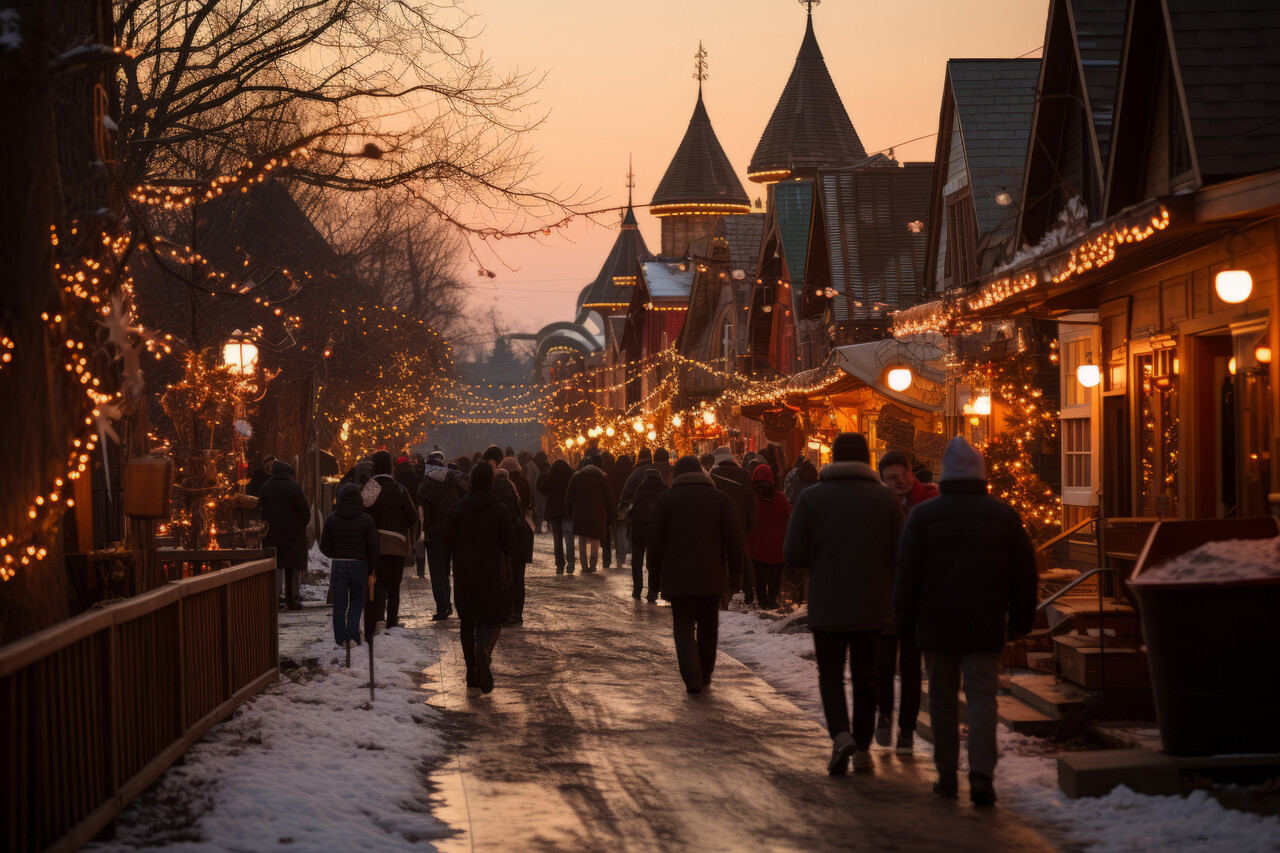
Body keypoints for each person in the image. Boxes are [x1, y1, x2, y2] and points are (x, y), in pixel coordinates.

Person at [895, 437, 1037, 806]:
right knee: (981, 697)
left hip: (935, 625)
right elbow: (1025, 574)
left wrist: (905, 624)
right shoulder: (1004, 516)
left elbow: (906, 577)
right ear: (981, 476)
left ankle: (945, 774)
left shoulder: (922, 517)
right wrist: (1022, 619)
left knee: (941, 700)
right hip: (985, 624)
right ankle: (981, 775)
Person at [784, 433, 904, 775]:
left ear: (832, 458)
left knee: (832, 674)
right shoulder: (886, 500)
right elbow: (902, 552)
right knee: (866, 674)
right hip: (872, 604)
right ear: (867, 460)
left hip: (828, 604)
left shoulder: (812, 497)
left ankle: (840, 734)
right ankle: (862, 742)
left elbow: (793, 552)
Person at [648, 455, 745, 693]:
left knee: (682, 626)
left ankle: (692, 676)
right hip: (712, 576)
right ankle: (706, 673)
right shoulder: (720, 499)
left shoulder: (666, 500)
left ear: (677, 475)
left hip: (677, 577)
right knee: (708, 625)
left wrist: (653, 579)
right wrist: (736, 576)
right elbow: (735, 541)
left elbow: (655, 543)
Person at [874, 450, 939, 750]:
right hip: (887, 595)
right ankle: (884, 713)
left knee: (912, 667)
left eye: (903, 474)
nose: (899, 480)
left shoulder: (930, 501)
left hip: (918, 598)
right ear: (882, 480)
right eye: (892, 477)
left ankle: (907, 729)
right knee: (885, 664)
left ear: (911, 474)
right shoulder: (878, 505)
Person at [443, 462, 515, 694]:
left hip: (464, 573)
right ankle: (483, 650)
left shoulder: (456, 509)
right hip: (492, 573)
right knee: (492, 616)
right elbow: (510, 544)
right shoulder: (500, 509)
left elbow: (447, 542)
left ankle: (470, 670)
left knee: (467, 621)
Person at [363, 451, 419, 632]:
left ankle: (376, 618)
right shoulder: (400, 488)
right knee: (393, 586)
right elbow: (412, 516)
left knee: (376, 582)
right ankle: (392, 622)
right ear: (391, 467)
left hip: (372, 544)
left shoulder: (370, 488)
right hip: (396, 544)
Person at [319, 483, 379, 648]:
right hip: (359, 564)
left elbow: (324, 546)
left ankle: (341, 639)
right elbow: (373, 547)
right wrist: (372, 567)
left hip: (339, 564)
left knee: (339, 604)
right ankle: (353, 635)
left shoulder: (331, 519)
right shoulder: (367, 520)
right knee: (357, 600)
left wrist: (336, 554)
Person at [419, 451, 469, 619]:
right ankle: (453, 605)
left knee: (437, 571)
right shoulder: (454, 482)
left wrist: (421, 536)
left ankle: (443, 607)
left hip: (434, 534)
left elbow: (423, 515)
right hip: (454, 532)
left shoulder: (424, 486)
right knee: (448, 569)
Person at [258, 459, 309, 610]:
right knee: (292, 567)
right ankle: (292, 600)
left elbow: (260, 510)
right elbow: (305, 512)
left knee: (275, 565)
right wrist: (300, 524)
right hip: (294, 533)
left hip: (272, 532)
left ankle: (273, 597)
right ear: (287, 473)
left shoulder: (265, 488)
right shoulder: (294, 488)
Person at [710, 446, 756, 604]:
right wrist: (750, 525)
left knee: (721, 559)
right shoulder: (745, 475)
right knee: (742, 557)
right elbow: (751, 503)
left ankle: (723, 591)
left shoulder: (713, 475)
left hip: (719, 525)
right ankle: (747, 592)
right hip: (739, 524)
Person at [746, 463, 791, 609]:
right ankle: (772, 600)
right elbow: (788, 517)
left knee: (760, 578)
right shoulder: (780, 497)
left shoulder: (751, 497)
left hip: (756, 544)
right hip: (777, 544)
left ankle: (762, 602)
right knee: (775, 576)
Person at [498, 458, 535, 624]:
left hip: (515, 534)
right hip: (524, 532)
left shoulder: (509, 485)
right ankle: (517, 612)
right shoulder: (524, 482)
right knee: (519, 576)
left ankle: (511, 611)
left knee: (511, 576)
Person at [565, 453, 614, 573]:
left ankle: (584, 565)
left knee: (582, 538)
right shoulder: (603, 477)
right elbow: (609, 498)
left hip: (580, 513)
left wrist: (570, 513)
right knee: (595, 539)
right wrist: (612, 515)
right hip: (598, 514)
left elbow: (569, 497)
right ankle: (593, 564)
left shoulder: (577, 477)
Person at [629, 467, 668, 601]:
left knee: (637, 560)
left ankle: (637, 590)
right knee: (655, 561)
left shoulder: (640, 487)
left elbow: (634, 509)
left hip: (639, 530)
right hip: (656, 531)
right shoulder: (664, 488)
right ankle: (652, 592)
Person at [538, 458, 575, 574]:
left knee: (557, 540)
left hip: (554, 512)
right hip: (566, 512)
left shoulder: (550, 477)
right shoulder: (571, 476)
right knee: (569, 538)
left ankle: (559, 565)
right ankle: (571, 563)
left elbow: (542, 490)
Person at [396, 454, 426, 579]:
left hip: (401, 511)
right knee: (418, 539)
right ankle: (420, 568)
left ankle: (406, 557)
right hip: (416, 510)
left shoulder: (397, 477)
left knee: (404, 535)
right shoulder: (416, 477)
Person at [608, 452, 634, 566]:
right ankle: (625, 552)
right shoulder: (631, 474)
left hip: (615, 506)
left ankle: (619, 556)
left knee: (618, 531)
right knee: (626, 530)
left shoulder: (611, 473)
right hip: (628, 506)